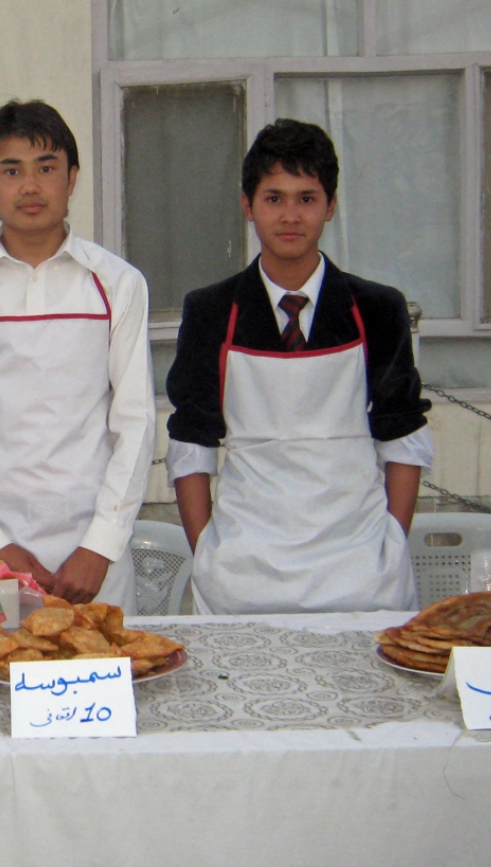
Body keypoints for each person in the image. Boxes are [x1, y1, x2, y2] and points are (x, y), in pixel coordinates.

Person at [166, 118, 432, 614]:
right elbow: (191, 444)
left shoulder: (377, 308)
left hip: (361, 570)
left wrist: (391, 542)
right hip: (242, 575)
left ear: (330, 205)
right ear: (247, 205)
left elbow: (403, 436)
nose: (290, 215)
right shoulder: (210, 311)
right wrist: (208, 552)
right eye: (274, 198)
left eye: (307, 198)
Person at [0, 100, 156, 608]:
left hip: (94, 561)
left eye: (46, 168)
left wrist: (99, 545)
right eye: (11, 171)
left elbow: (136, 422)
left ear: (72, 178)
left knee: (97, 682)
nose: (30, 187)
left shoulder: (117, 284)